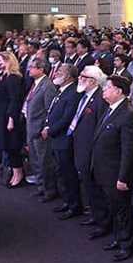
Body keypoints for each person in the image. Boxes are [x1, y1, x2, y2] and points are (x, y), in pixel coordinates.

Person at [92, 75, 133, 262]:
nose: (103, 90)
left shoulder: (129, 114)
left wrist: (123, 178)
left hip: (117, 173)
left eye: (107, 87)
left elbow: (130, 151)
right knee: (114, 207)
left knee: (122, 209)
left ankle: (128, 245)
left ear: (118, 91)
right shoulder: (111, 109)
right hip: (106, 170)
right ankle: (119, 238)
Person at [69, 65, 112, 239]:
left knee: (96, 188)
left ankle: (103, 223)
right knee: (87, 185)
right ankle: (95, 215)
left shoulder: (100, 99)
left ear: (93, 81)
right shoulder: (85, 96)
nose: (79, 79)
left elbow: (100, 128)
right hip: (81, 146)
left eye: (83, 76)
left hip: (91, 151)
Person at [43, 63, 82, 219]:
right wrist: (47, 126)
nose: (56, 73)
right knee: (60, 172)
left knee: (69, 174)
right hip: (56, 139)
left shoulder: (73, 93)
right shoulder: (61, 91)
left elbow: (67, 119)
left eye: (60, 72)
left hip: (64, 139)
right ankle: (67, 201)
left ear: (68, 77)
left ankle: (74, 205)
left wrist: (50, 131)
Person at [23, 57, 59, 202]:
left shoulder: (47, 86)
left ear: (41, 69)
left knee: (45, 162)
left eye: (32, 67)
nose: (29, 69)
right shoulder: (36, 84)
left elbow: (50, 110)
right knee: (35, 160)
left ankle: (50, 190)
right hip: (31, 128)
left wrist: (45, 127)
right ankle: (41, 186)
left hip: (40, 131)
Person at [0, 51, 26, 188]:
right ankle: (14, 172)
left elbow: (15, 99)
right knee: (7, 146)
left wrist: (11, 119)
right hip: (1, 114)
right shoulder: (3, 76)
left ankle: (18, 174)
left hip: (9, 115)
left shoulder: (13, 78)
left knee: (13, 146)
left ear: (8, 61)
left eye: (0, 60)